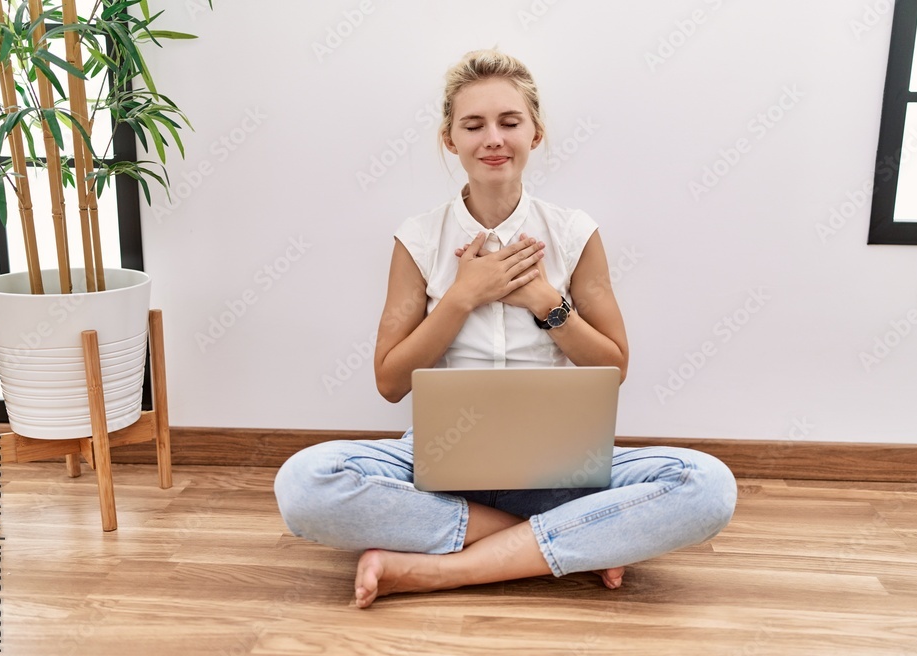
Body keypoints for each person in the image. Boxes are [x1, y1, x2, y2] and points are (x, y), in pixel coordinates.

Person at [274, 49, 737, 609]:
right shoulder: (418, 239)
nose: (493, 138)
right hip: (440, 463)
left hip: (559, 467)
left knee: (707, 485)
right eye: (474, 125)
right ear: (451, 139)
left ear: (535, 133)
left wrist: (545, 300)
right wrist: (463, 297)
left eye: (509, 122)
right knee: (304, 483)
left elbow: (612, 368)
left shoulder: (573, 233)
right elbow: (390, 381)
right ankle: (575, 537)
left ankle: (443, 569)